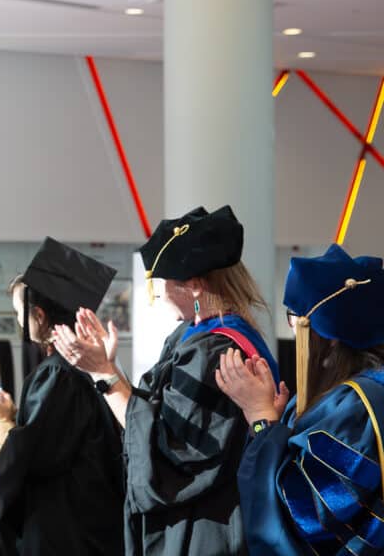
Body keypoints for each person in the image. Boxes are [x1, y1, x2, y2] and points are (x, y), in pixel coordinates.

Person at [52, 205, 280, 555]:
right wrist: (110, 367)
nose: (157, 292)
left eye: (162, 281)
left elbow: (166, 453)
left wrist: (103, 374)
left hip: (208, 526)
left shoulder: (215, 351)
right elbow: (152, 414)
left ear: (195, 285)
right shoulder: (204, 334)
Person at [219, 244, 384, 555]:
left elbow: (304, 517)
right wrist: (279, 424)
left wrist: (262, 419)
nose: (292, 326)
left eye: (294, 316)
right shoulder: (349, 392)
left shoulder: (356, 408)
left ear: (328, 332)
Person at [0, 237, 125, 555]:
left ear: (39, 314)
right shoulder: (86, 364)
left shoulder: (59, 372)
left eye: (19, 313)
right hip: (95, 520)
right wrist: (13, 415)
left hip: (64, 527)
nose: (18, 321)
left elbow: (30, 461)